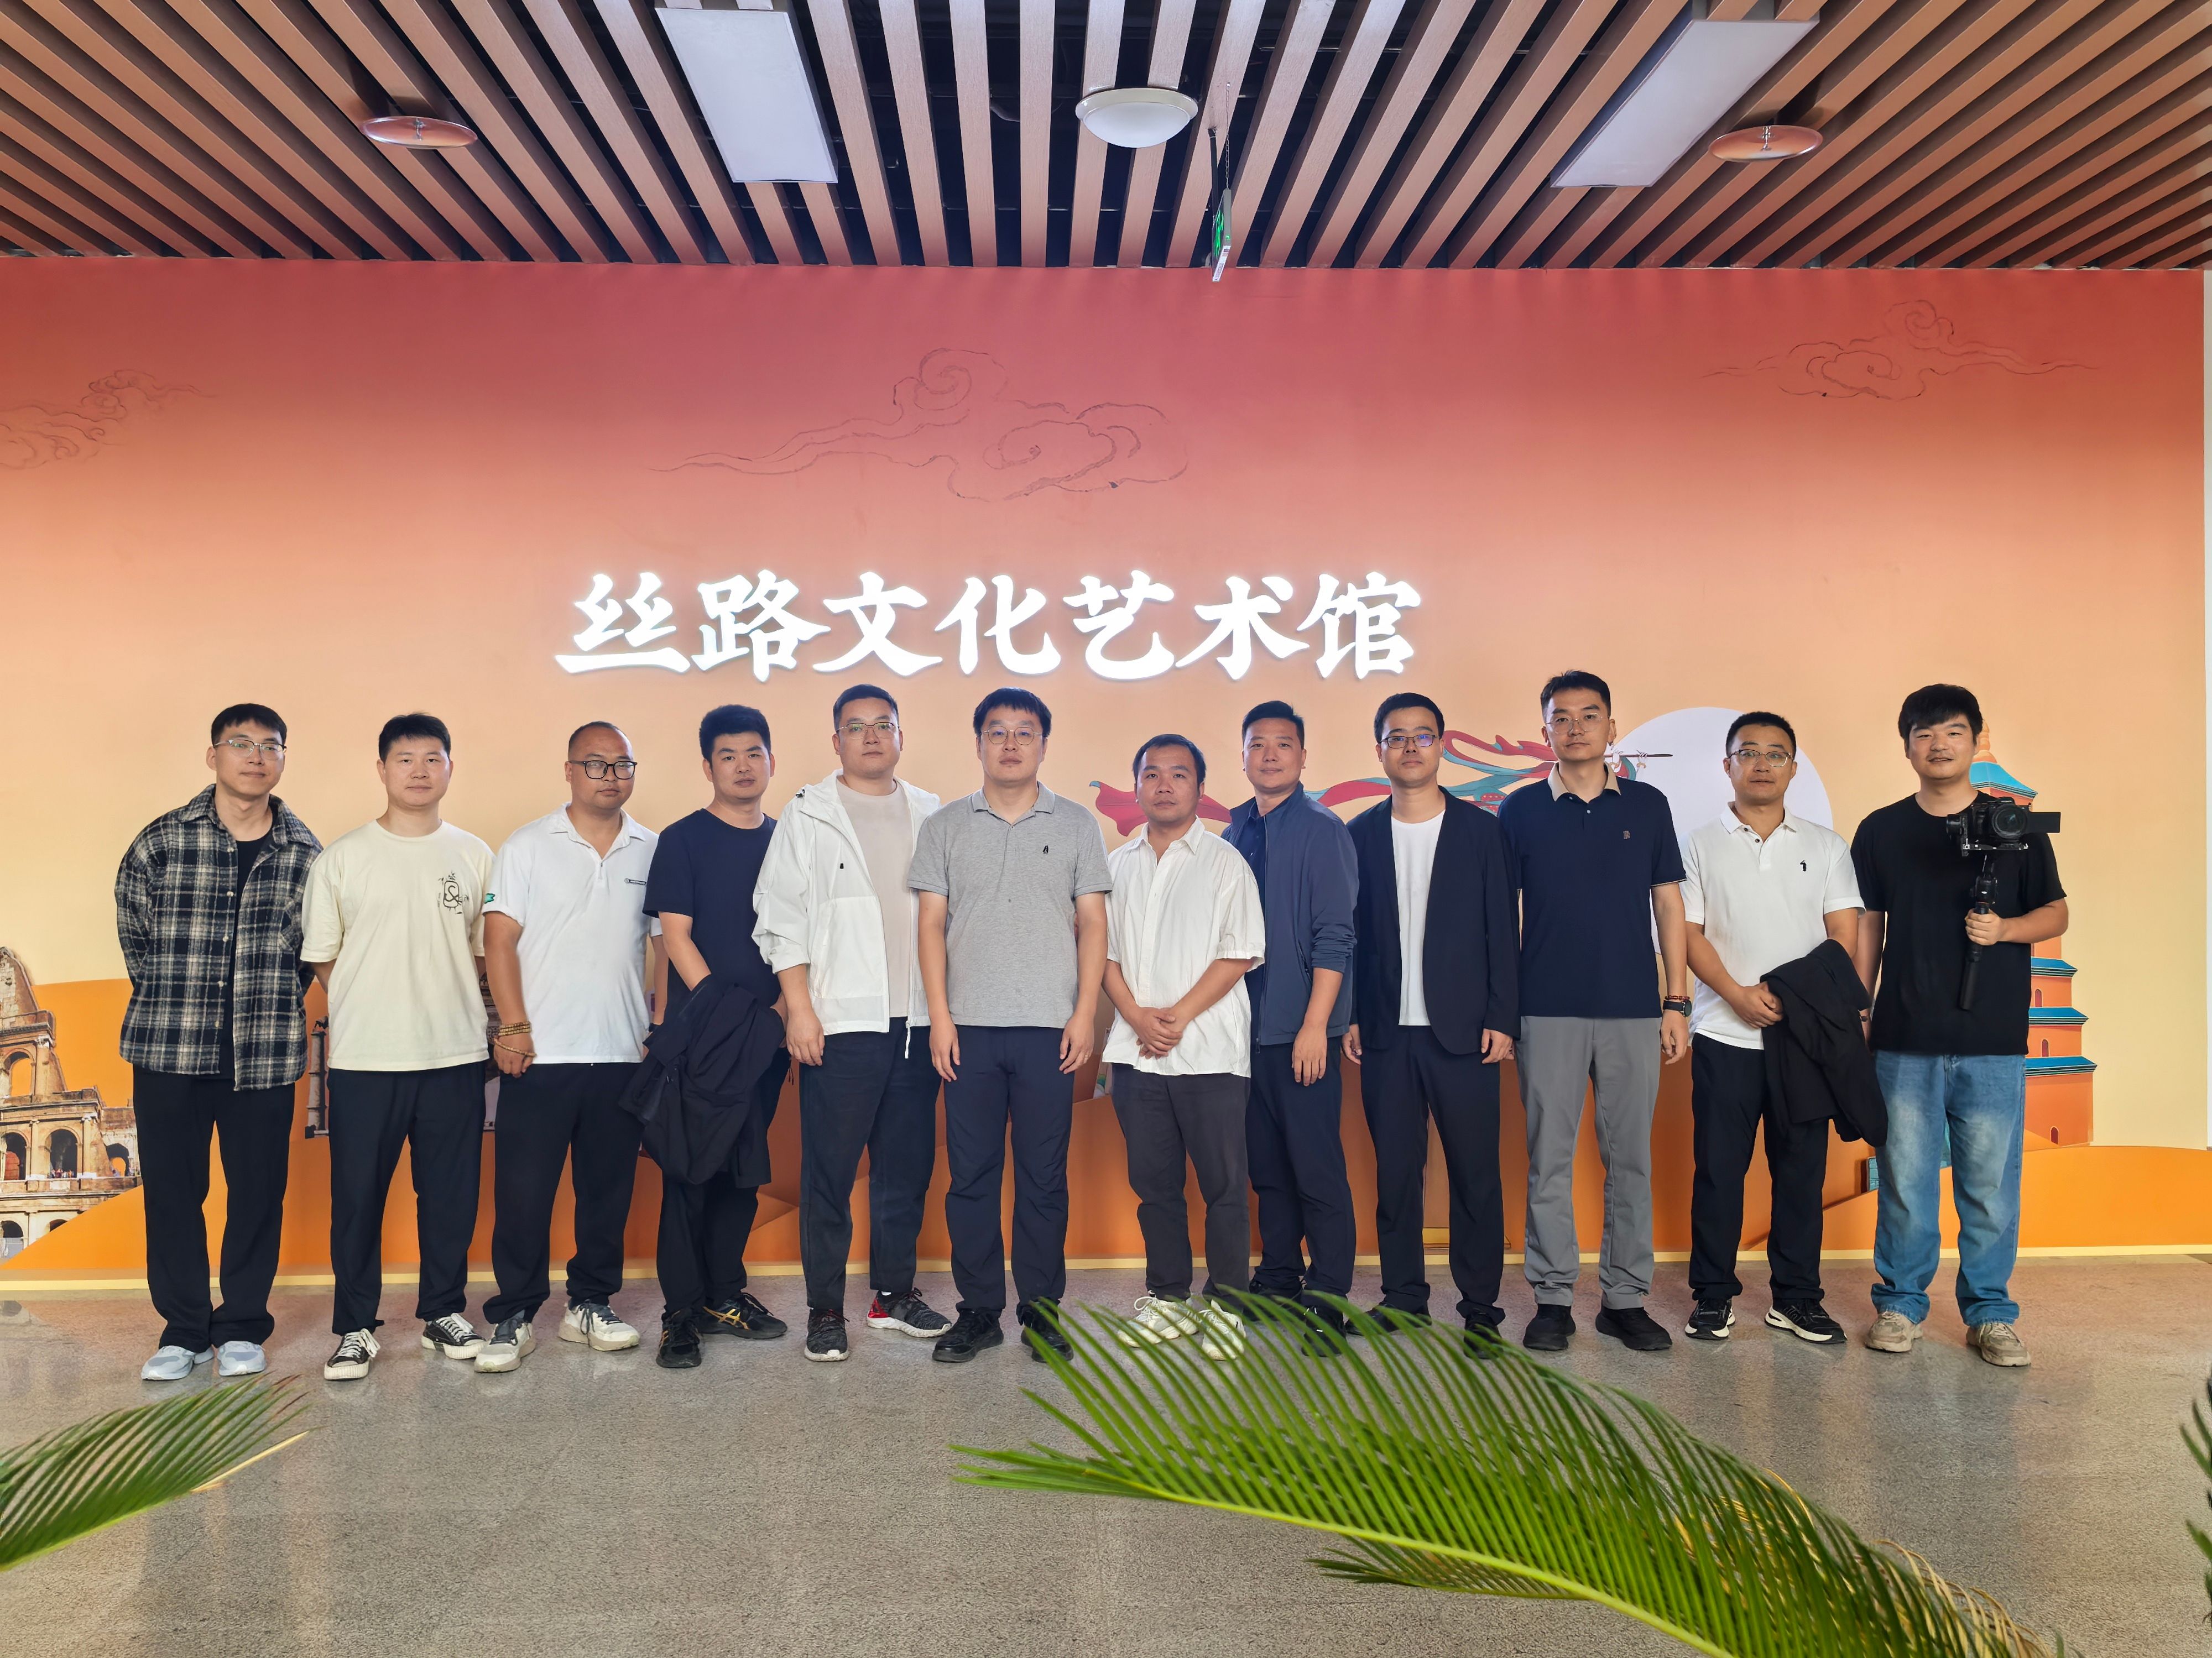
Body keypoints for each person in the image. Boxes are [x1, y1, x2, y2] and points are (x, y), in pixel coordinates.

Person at [1850, 685, 2065, 1368]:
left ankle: (1991, 1314)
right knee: (1905, 1183)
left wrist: (2005, 930)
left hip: (1992, 1038)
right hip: (1903, 1036)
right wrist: (1860, 1007)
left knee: (1990, 1188)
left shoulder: (2015, 825)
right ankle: (1899, 1303)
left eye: (1951, 731)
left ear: (1975, 739)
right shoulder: (1880, 829)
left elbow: (2055, 913)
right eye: (1923, 733)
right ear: (1906, 745)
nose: (1937, 744)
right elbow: (1869, 925)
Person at [117, 704, 321, 1382]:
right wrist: (174, 998)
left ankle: (240, 1325)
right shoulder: (161, 841)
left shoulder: (307, 852)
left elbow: (309, 952)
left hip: (262, 1051)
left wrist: (266, 999)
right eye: (241, 743)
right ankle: (183, 1330)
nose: (256, 756)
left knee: (257, 1194)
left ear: (283, 758)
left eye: (271, 745)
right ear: (214, 756)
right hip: (169, 1048)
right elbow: (136, 936)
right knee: (172, 1194)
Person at [753, 684, 952, 1363]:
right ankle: (825, 1307)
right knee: (830, 1175)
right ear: (835, 740)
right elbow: (780, 919)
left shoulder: (932, 812)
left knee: (906, 1170)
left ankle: (893, 1294)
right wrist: (800, 1009)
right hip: (840, 1023)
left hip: (917, 1022)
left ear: (900, 736)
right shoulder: (808, 814)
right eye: (856, 726)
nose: (871, 736)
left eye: (883, 724)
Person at [912, 688, 1111, 1364]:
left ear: (1043, 745)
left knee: (1043, 1177)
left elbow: (1092, 923)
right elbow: (931, 923)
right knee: (970, 1176)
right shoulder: (944, 825)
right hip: (966, 1029)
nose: (1010, 743)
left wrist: (1083, 1012)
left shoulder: (1078, 823)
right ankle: (977, 1310)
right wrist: (940, 1017)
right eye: (996, 731)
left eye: (1024, 732)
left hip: (1049, 1030)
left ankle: (1041, 1309)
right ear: (978, 743)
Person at [1499, 671, 1689, 1355]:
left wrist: (1675, 999)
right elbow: (1502, 916)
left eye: (1589, 715)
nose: (1575, 727)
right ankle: (1552, 1298)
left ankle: (1624, 1299)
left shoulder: (1647, 804)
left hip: (1632, 1008)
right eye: (1561, 717)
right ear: (1545, 729)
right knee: (1548, 1160)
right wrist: (1503, 1008)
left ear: (1611, 727)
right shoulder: (1519, 809)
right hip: (1544, 1008)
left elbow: (1668, 903)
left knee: (1629, 1160)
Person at [302, 713, 495, 1381]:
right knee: (357, 1199)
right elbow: (323, 956)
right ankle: (355, 1327)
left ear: (450, 768)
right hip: (366, 1059)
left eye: (433, 758)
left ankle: (444, 1311)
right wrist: (373, 1000)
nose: (419, 770)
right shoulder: (342, 858)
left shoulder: (474, 854)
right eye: (405, 758)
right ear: (382, 769)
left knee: (449, 1196)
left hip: (454, 1054)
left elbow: (484, 951)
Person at [473, 722, 657, 1373]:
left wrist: (657, 1025)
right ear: (570, 770)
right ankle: (515, 1313)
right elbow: (498, 940)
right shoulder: (527, 844)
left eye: (622, 764)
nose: (611, 775)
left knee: (606, 1191)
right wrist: (513, 1026)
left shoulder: (651, 848)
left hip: (621, 1053)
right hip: (541, 1053)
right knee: (524, 1194)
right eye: (596, 763)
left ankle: (590, 1303)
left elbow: (664, 942)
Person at [1679, 713, 1861, 1346]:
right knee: (1718, 1171)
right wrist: (1736, 994)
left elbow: (1843, 934)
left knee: (1801, 1173)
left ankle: (1797, 1298)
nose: (1761, 763)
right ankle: (1712, 1295)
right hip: (1723, 1033)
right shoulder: (1697, 843)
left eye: (1775, 753)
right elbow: (1687, 932)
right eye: (1747, 752)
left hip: (1803, 1040)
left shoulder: (1827, 845)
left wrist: (1793, 996)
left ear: (1793, 766)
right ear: (1727, 764)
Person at [1345, 694, 1517, 1339]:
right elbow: (1348, 936)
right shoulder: (1358, 834)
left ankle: (1481, 1309)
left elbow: (1502, 929)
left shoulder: (1481, 830)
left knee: (1476, 1176)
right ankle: (1403, 1299)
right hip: (1385, 1033)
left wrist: (1502, 1016)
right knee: (1396, 1176)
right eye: (1397, 737)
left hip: (1465, 1033)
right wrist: (1351, 1013)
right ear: (1380, 750)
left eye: (1422, 735)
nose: (1410, 747)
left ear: (1441, 745)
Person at [1100, 734, 1264, 1360]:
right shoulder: (1116, 865)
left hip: (1211, 1053)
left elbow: (1239, 952)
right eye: (1152, 774)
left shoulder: (1225, 862)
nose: (1164, 784)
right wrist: (1137, 1017)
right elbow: (1103, 955)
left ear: (1199, 786)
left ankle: (1227, 1306)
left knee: (1224, 1186)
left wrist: (1177, 1017)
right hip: (1135, 1053)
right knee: (1155, 1186)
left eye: (1178, 774)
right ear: (1136, 785)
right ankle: (1168, 1297)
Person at [644, 704, 791, 1369]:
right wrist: (729, 1015)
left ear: (771, 761)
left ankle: (724, 1296)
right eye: (727, 755)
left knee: (742, 1174)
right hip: (706, 1036)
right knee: (689, 1171)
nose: (742, 765)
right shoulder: (682, 839)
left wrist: (783, 1011)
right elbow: (676, 937)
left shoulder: (789, 841)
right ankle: (680, 1311)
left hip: (768, 1038)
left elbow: (802, 935)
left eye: (753, 752)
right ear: (708, 767)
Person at [1224, 700, 1359, 1338]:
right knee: (1267, 1169)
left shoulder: (1322, 828)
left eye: (1283, 743)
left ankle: (1329, 1293)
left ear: (1303, 756)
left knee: (1315, 1168)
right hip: (1242, 1034)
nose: (1270, 754)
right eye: (1258, 744)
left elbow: (1336, 935)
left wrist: (1315, 1026)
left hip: (1301, 1030)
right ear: (1243, 756)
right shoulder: (1234, 831)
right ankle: (1278, 1276)